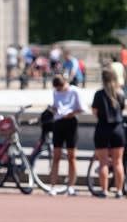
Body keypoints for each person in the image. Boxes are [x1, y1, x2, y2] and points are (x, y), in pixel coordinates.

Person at [49, 74, 86, 196]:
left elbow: (82, 108)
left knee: (72, 156)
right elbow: (55, 105)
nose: (59, 91)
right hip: (59, 123)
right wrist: (54, 110)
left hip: (70, 122)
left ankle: (71, 185)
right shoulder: (56, 92)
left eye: (60, 88)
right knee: (56, 156)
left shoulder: (74, 91)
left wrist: (71, 113)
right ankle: (53, 185)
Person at [91, 68, 125, 198]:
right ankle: (119, 190)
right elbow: (122, 109)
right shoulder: (120, 93)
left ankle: (104, 190)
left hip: (103, 128)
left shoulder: (99, 94)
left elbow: (94, 112)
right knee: (118, 162)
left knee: (103, 162)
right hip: (117, 129)